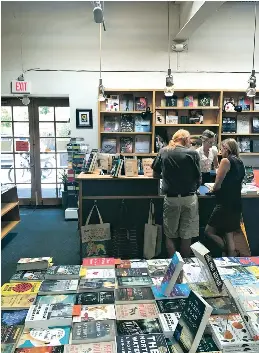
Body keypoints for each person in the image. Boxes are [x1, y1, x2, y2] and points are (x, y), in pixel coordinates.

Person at [152, 129, 201, 258]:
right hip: (189, 198)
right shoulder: (193, 153)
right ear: (184, 139)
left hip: (171, 198)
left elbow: (155, 174)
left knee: (170, 234)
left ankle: (174, 267)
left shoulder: (164, 151)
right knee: (186, 235)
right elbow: (198, 178)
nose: (190, 142)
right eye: (189, 139)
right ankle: (185, 267)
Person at [205, 138, 245, 256]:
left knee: (208, 231)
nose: (220, 151)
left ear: (226, 149)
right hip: (236, 203)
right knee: (229, 233)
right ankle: (232, 259)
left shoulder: (225, 161)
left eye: (221, 148)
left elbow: (217, 185)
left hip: (224, 203)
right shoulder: (240, 161)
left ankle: (226, 250)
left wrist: (212, 189)